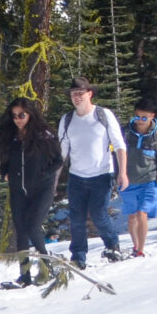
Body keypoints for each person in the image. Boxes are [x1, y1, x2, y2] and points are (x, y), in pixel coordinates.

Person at [56, 77, 128, 267]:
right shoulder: (67, 120)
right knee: (77, 218)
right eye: (73, 94)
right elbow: (62, 153)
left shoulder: (103, 115)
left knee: (99, 214)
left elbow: (119, 145)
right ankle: (78, 257)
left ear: (90, 94)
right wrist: (53, 180)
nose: (77, 98)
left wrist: (123, 173)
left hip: (102, 175)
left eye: (80, 93)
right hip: (77, 177)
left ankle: (113, 245)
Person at [0, 96, 62, 288]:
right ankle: (24, 274)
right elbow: (5, 161)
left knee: (33, 226)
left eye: (21, 115)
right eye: (14, 116)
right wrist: (4, 173)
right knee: (21, 230)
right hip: (18, 190)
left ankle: (47, 265)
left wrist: (44, 174)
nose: (18, 119)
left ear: (30, 114)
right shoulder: (10, 136)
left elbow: (58, 160)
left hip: (42, 189)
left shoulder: (44, 134)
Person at [120, 99, 157, 259]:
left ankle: (141, 249)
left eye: (144, 118)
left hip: (149, 182)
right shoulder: (125, 132)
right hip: (128, 182)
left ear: (152, 116)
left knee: (142, 214)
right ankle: (135, 246)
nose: (140, 121)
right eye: (137, 117)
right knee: (132, 216)